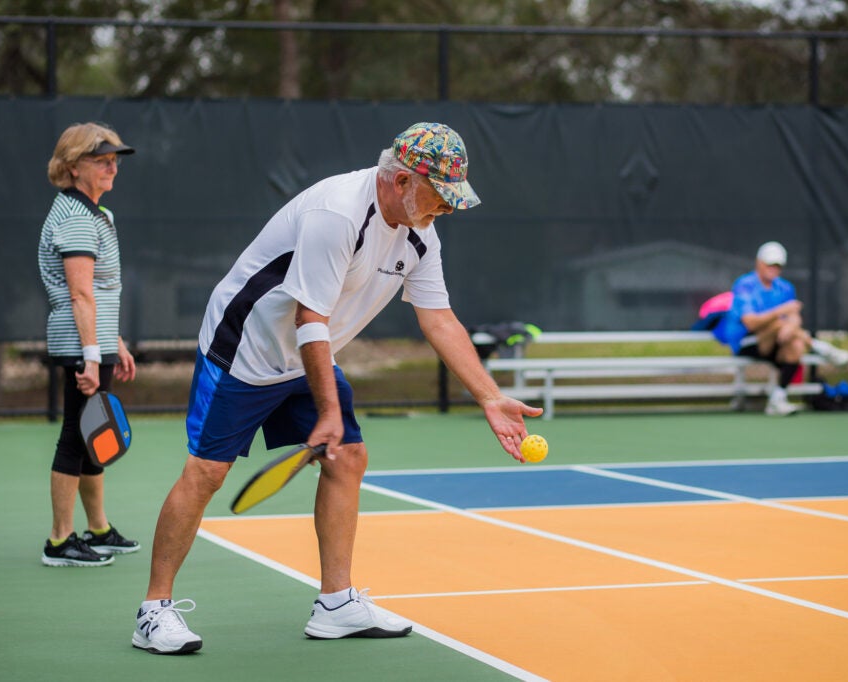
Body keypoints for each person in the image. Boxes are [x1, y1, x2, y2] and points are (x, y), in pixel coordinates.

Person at [131, 122, 543, 654]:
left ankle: (336, 604)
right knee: (207, 471)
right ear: (401, 180)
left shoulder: (422, 231)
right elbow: (310, 316)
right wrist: (327, 408)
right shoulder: (338, 213)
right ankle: (153, 610)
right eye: (440, 195)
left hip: (309, 351)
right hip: (246, 347)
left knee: (347, 457)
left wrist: (489, 395)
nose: (446, 207)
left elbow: (438, 318)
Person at [37, 122, 140, 566]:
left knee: (94, 434)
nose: (112, 167)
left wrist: (115, 342)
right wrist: (93, 357)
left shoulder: (96, 213)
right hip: (80, 344)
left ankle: (97, 530)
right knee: (75, 439)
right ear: (73, 167)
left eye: (115, 159)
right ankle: (60, 541)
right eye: (102, 160)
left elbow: (98, 291)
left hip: (93, 341)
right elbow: (79, 294)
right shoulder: (77, 217)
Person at [714, 241, 848, 416]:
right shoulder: (744, 285)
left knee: (797, 346)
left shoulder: (785, 287)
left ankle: (777, 400)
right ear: (759, 263)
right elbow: (751, 323)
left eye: (778, 265)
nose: (774, 269)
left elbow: (795, 316)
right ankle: (819, 347)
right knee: (779, 324)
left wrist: (790, 326)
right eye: (770, 264)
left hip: (779, 341)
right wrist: (781, 315)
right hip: (746, 343)